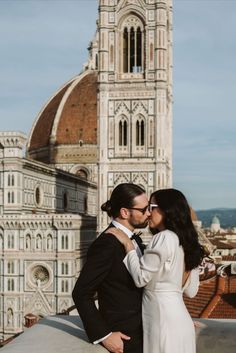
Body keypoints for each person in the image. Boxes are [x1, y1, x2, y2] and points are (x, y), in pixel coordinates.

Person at [107, 188, 205, 353]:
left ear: (166, 210)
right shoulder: (187, 242)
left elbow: (140, 279)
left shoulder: (164, 237)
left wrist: (128, 246)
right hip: (181, 321)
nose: (148, 213)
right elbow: (191, 291)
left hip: (162, 319)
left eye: (151, 207)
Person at [72, 183, 151, 353]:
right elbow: (81, 292)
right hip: (123, 336)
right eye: (144, 209)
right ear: (124, 212)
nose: (149, 213)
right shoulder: (107, 243)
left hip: (141, 332)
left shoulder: (134, 240)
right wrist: (105, 335)